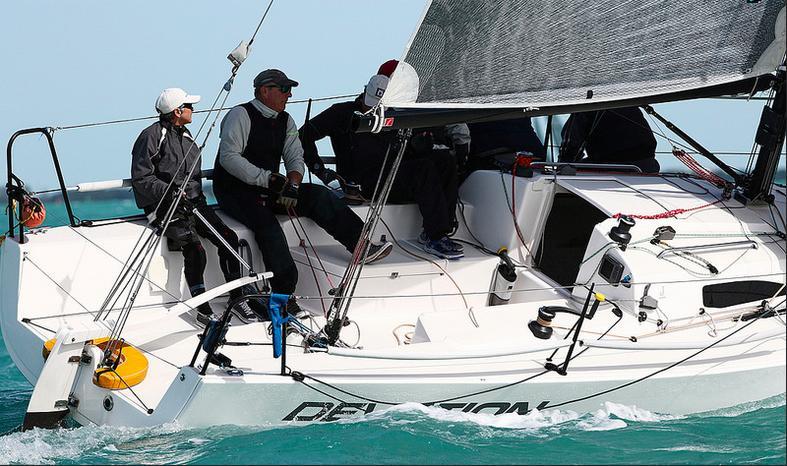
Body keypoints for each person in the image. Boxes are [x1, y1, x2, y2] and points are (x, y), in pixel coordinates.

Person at [213, 69, 393, 310]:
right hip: (235, 191)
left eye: (290, 90)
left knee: (319, 196)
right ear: (264, 91)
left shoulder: (286, 120)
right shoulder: (240, 115)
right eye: (284, 89)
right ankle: (282, 294)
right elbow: (229, 158)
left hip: (270, 186)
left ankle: (361, 247)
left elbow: (295, 156)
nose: (289, 94)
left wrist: (293, 185)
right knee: (269, 228)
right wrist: (268, 180)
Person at [131, 88, 265, 326]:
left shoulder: (187, 135)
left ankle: (237, 299)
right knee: (195, 249)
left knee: (228, 239)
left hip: (194, 202)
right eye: (189, 106)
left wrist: (191, 196)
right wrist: (168, 191)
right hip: (164, 206)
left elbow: (192, 179)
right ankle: (202, 307)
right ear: (177, 111)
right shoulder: (150, 137)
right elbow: (141, 178)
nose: (194, 109)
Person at [300, 73, 464, 260]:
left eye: (378, 106)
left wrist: (422, 144)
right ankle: (436, 236)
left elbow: (412, 150)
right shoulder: (342, 113)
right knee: (423, 169)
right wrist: (320, 170)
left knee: (444, 160)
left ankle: (443, 229)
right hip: (364, 183)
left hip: (393, 176)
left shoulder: (397, 115)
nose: (373, 110)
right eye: (370, 104)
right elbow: (304, 136)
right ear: (364, 93)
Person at [558, 107, 660, 173]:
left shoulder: (586, 105)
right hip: (649, 165)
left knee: (573, 169)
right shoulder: (628, 102)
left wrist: (563, 165)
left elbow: (571, 143)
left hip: (613, 166)